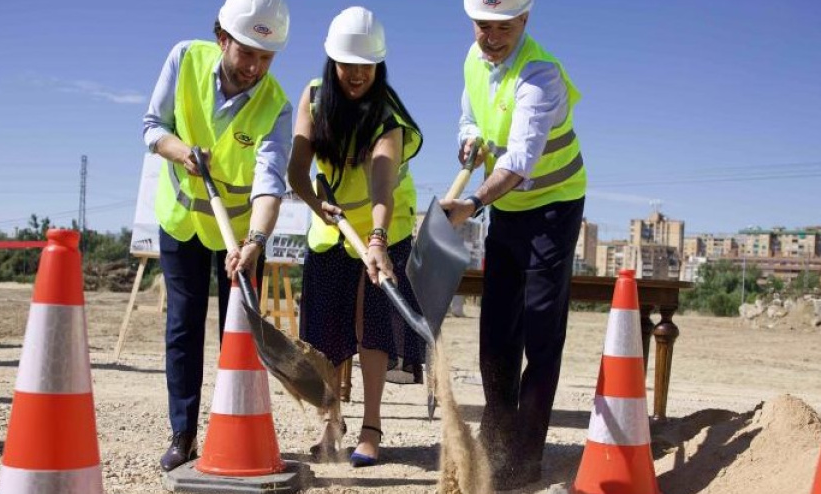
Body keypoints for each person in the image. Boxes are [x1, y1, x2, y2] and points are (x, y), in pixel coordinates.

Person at [439, 0, 588, 489]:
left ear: (525, 21)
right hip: (507, 209)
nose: (493, 36)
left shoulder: (540, 75)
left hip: (553, 208)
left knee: (542, 329)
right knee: (498, 328)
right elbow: (470, 116)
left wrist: (472, 203)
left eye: (504, 27)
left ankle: (526, 454)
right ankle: (497, 435)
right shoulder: (471, 59)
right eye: (484, 26)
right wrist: (469, 140)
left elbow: (521, 158)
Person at [142, 0, 292, 472]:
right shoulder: (185, 57)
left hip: (242, 240)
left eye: (265, 57)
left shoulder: (276, 106)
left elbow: (270, 185)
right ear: (222, 38)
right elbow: (152, 128)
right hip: (182, 222)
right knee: (184, 327)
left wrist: (256, 241)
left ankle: (235, 434)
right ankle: (182, 433)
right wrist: (181, 151)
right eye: (246, 52)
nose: (254, 67)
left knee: (239, 336)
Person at [287, 6, 424, 468]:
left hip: (386, 226)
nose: (357, 73)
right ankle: (331, 420)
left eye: (367, 64)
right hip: (330, 224)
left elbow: (382, 189)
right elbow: (297, 172)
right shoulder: (313, 98)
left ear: (379, 65)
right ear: (332, 62)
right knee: (327, 331)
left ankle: (371, 426)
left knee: (374, 327)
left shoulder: (387, 117)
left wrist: (379, 241)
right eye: (348, 63)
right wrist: (314, 204)